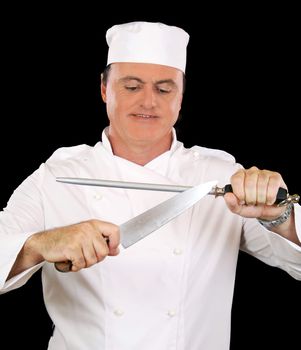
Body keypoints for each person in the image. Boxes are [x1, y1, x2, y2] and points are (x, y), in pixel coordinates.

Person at [0, 21, 300, 350]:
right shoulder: (55, 177)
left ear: (181, 96)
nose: (148, 102)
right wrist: (38, 245)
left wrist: (279, 216)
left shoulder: (224, 178)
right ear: (104, 89)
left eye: (163, 88)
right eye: (131, 86)